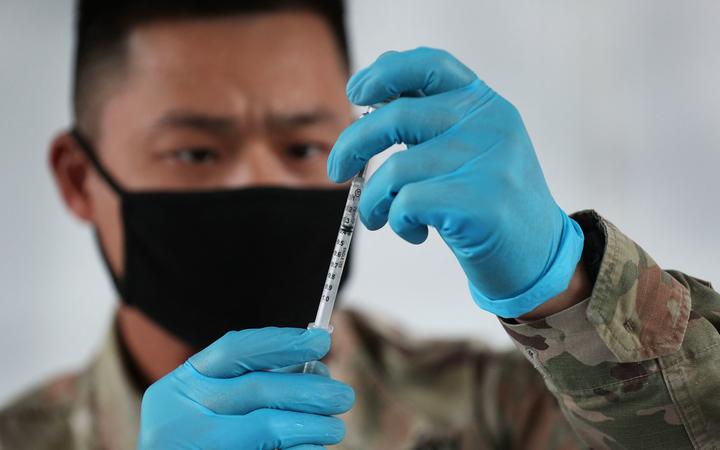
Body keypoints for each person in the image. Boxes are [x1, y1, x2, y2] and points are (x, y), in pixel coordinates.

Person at [1, 1, 718, 449]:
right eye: (195, 151)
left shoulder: (493, 414)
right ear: (78, 180)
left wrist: (565, 287)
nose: (262, 183)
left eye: (305, 147)